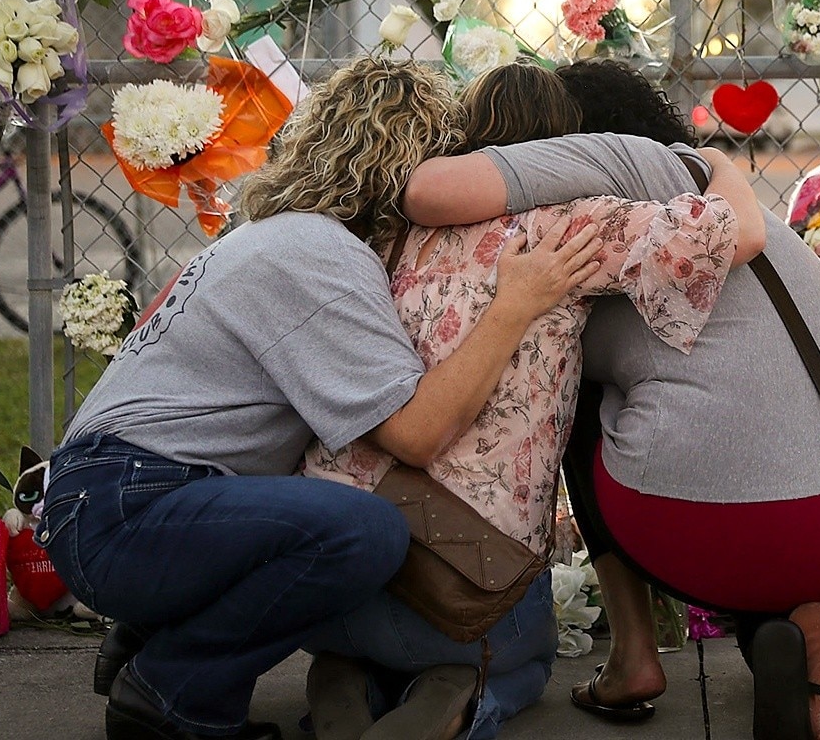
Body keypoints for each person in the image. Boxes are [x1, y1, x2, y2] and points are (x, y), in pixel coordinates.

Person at [41, 59, 605, 740]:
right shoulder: (320, 256)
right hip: (129, 508)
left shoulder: (269, 237)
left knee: (320, 502)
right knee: (360, 531)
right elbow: (417, 433)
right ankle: (174, 691)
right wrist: (515, 306)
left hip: (109, 498)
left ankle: (156, 646)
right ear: (408, 172)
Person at [404, 59, 820, 740]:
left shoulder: (606, 213)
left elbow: (428, 192)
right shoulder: (728, 208)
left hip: (693, 523)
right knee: (788, 589)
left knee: (576, 397)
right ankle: (803, 628)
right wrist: (723, 163)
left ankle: (634, 656)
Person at [298, 61, 764, 740]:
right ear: (563, 145)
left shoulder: (389, 225)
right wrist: (720, 165)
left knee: (351, 640)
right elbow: (737, 235)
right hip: (458, 572)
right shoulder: (570, 226)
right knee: (520, 658)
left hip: (330, 536)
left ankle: (342, 674)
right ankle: (458, 694)